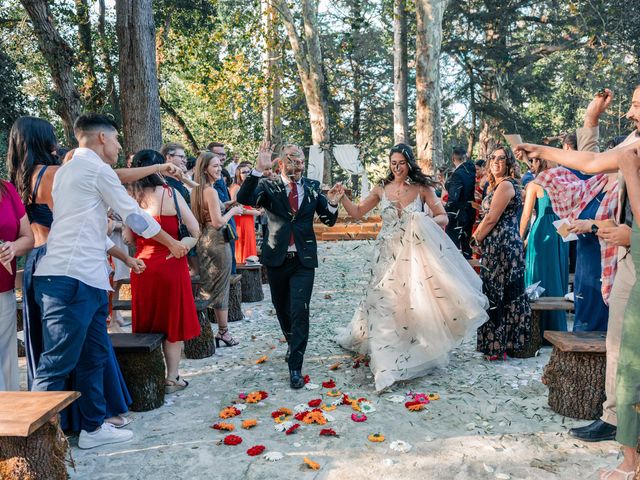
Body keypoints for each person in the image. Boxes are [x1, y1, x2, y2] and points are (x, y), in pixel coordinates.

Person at [31, 113, 188, 449]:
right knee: (56, 364)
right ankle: (37, 446)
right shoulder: (94, 169)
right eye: (117, 139)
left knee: (93, 357)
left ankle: (93, 427)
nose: (119, 146)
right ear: (102, 138)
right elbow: (132, 214)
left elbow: (83, 227)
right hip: (68, 280)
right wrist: (170, 242)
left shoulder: (69, 173)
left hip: (86, 279)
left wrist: (124, 256)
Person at [516, 86, 639, 447]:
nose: (630, 114)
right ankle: (615, 417)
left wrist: (630, 235)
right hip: (622, 254)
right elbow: (591, 164)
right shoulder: (633, 141)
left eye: (635, 106)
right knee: (617, 340)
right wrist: (542, 148)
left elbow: (593, 164)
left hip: (627, 247)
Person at [334, 144, 488, 391]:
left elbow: (443, 217)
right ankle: (385, 359)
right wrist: (342, 196)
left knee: (408, 302)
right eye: (393, 163)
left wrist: (422, 219)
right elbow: (357, 212)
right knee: (383, 304)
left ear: (409, 163)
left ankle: (405, 351)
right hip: (385, 254)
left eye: (401, 163)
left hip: (413, 254)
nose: (397, 168)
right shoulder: (381, 189)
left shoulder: (422, 188)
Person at [237, 142, 341, 389]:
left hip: (304, 260)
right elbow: (244, 199)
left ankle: (295, 364)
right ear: (281, 162)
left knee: (299, 310)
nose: (299, 163)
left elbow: (328, 220)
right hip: (277, 258)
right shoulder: (267, 185)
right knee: (282, 309)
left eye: (302, 159)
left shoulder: (313, 188)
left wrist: (334, 203)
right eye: (293, 159)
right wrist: (257, 170)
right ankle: (293, 345)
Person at [125, 150, 201, 393]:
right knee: (172, 322)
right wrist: (183, 245)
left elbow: (128, 237)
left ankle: (149, 373)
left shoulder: (131, 199)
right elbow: (195, 229)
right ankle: (172, 377)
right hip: (171, 263)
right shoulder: (171, 194)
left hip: (143, 266)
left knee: (147, 320)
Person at [473, 146, 532, 360]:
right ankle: (499, 345)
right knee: (495, 291)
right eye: (493, 158)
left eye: (501, 158)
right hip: (497, 243)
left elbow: (491, 218)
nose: (496, 162)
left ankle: (500, 346)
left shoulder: (506, 185)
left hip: (503, 245)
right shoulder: (494, 185)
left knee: (500, 292)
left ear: (508, 163)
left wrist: (475, 238)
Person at [191, 152, 244, 348]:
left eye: (219, 165)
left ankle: (203, 329)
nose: (219, 168)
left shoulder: (198, 190)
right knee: (221, 287)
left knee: (208, 286)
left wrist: (227, 204)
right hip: (217, 242)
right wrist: (233, 211)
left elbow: (208, 213)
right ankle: (223, 332)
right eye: (214, 166)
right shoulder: (210, 191)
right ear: (205, 169)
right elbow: (218, 221)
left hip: (204, 240)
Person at [519, 157, 569, 337]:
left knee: (538, 273)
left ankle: (537, 330)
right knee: (555, 274)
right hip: (560, 230)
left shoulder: (534, 185)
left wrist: (519, 238)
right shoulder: (563, 183)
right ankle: (555, 327)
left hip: (542, 231)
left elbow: (525, 216)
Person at [0, 179, 34, 390]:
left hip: (4, 290)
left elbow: (28, 238)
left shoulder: (7, 189)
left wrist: (12, 247)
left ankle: (7, 418)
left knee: (6, 359)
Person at [444, 147, 476, 258]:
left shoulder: (457, 175)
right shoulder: (472, 170)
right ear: (465, 157)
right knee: (466, 247)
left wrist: (444, 209)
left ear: (453, 158)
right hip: (470, 213)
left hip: (457, 216)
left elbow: (454, 198)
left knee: (453, 247)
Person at [229, 161, 260, 264]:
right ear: (238, 174)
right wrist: (255, 212)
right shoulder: (236, 187)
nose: (247, 173)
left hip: (247, 221)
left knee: (249, 245)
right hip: (241, 222)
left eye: (248, 171)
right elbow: (236, 208)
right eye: (244, 172)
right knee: (243, 246)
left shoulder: (246, 187)